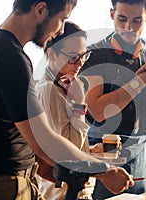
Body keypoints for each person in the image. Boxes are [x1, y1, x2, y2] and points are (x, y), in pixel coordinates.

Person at [0, 1, 134, 199]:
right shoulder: (9, 57)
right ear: (40, 10)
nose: (60, 30)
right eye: (61, 19)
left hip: (9, 182)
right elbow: (44, 142)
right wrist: (104, 171)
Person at [79, 0, 146, 199]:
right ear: (111, 14)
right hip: (103, 155)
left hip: (138, 156)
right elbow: (98, 111)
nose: (128, 28)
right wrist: (140, 80)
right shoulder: (95, 55)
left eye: (136, 21)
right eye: (122, 19)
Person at [35, 21, 103, 200]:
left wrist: (89, 150)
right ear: (52, 54)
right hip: (63, 192)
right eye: (73, 56)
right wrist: (80, 105)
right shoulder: (49, 90)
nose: (80, 63)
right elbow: (65, 152)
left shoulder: (63, 87)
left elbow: (70, 142)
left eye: (83, 56)